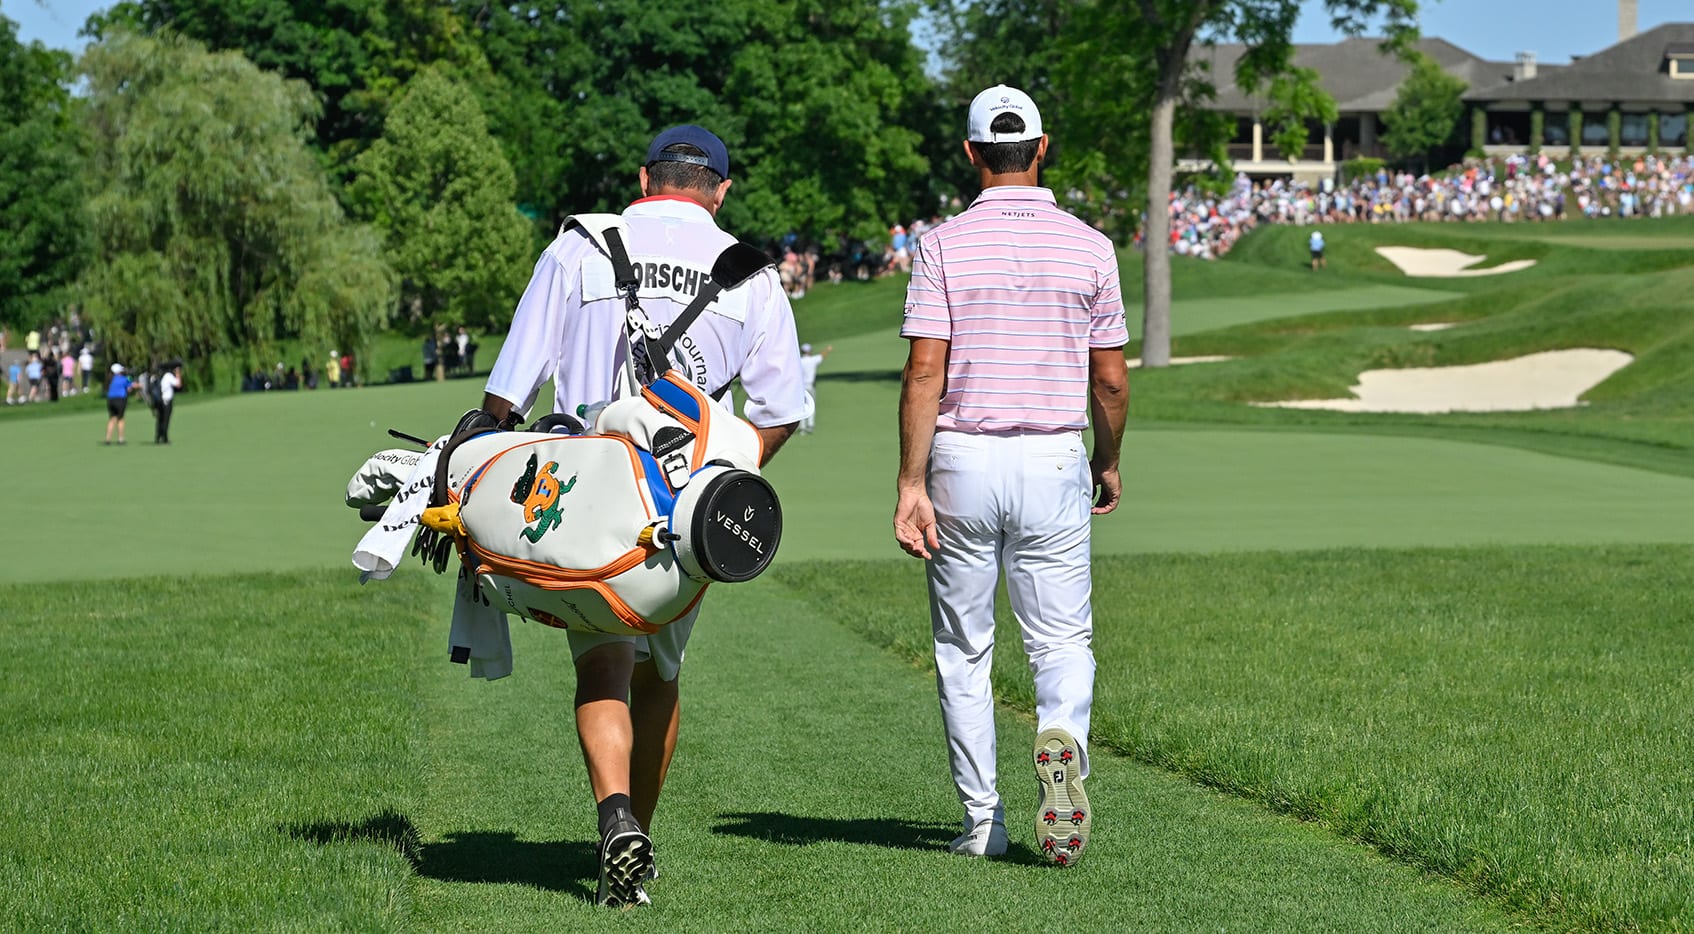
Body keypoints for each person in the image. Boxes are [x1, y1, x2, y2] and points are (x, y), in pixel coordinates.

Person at [479, 124, 806, 907]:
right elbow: (783, 408)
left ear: (642, 177)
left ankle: (615, 816)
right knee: (661, 670)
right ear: (720, 190)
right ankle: (635, 846)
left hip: (587, 496)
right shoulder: (753, 274)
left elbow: (506, 393)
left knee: (601, 661)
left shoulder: (578, 246)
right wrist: (722, 476)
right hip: (687, 508)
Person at [893, 85, 1129, 867]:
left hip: (961, 456)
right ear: (1042, 146)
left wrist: (910, 482)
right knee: (1061, 638)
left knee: (965, 648)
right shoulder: (1090, 245)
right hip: (1054, 454)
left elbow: (925, 370)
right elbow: (1112, 381)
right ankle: (1061, 732)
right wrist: (1108, 458)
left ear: (970, 154)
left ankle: (982, 822)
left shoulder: (940, 245)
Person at [797, 342, 832, 434]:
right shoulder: (812, 360)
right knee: (811, 405)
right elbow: (822, 356)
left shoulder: (799, 361)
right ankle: (810, 425)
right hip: (810, 386)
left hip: (801, 388)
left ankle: (803, 427)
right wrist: (828, 349)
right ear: (809, 351)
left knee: (802, 407)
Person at [104, 363, 137, 444]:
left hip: (110, 400)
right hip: (120, 400)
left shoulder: (110, 379)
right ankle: (120, 439)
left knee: (112, 419)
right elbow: (132, 385)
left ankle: (108, 439)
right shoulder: (123, 378)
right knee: (120, 419)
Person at [155, 361, 181, 444]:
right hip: (166, 401)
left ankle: (158, 436)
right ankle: (164, 438)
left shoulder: (159, 376)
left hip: (159, 401)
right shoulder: (168, 376)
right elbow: (178, 384)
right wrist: (178, 373)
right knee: (166, 419)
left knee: (160, 419)